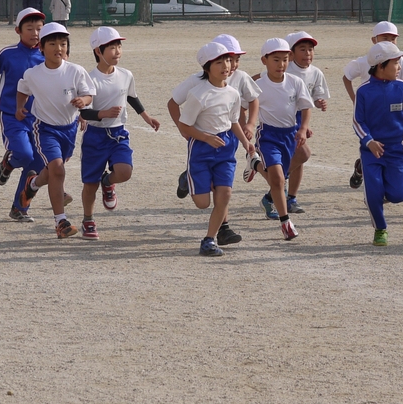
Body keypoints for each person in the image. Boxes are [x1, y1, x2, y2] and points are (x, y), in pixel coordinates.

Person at [77, 26, 160, 239]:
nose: (117, 51)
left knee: (125, 171)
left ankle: (108, 182)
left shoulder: (126, 75)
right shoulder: (89, 78)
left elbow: (131, 96)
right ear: (98, 51)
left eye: (119, 46)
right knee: (89, 183)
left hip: (118, 134)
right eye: (111, 47)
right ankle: (88, 219)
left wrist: (147, 117)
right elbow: (84, 112)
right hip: (95, 136)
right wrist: (103, 113)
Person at [15, 23, 96, 239]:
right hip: (45, 129)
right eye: (52, 43)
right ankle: (61, 222)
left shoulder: (75, 70)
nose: (58, 47)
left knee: (52, 172)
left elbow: (89, 94)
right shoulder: (33, 74)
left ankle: (32, 184)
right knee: (58, 170)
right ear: (41, 47)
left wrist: (83, 101)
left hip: (69, 129)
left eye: (62, 43)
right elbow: (22, 89)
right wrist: (19, 107)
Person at [0, 8, 47, 221]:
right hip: (13, 115)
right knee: (24, 154)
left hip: (41, 119)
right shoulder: (7, 54)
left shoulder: (47, 56)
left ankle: (19, 208)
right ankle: (8, 163)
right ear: (18, 30)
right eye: (29, 28)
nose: (35, 33)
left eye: (39, 29)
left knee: (37, 163)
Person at [180, 42, 256, 257]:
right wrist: (205, 137)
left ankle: (209, 240)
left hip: (226, 148)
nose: (226, 65)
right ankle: (190, 177)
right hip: (201, 148)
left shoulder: (233, 93)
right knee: (202, 203)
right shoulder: (198, 94)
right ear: (207, 67)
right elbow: (185, 126)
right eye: (219, 61)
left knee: (224, 195)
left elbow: (233, 121)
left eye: (229, 60)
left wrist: (245, 143)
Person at [353, 41, 403, 247]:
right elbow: (357, 121)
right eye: (396, 63)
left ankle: (377, 195)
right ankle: (380, 228)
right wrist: (369, 142)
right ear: (381, 66)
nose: (400, 67)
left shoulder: (402, 87)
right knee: (374, 192)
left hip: (396, 149)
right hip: (371, 151)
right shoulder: (364, 91)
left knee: (398, 195)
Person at [343, 21, 403, 189]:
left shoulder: (399, 60)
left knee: (391, 148)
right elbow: (346, 76)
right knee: (371, 145)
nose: (389, 42)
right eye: (384, 38)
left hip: (391, 111)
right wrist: (354, 99)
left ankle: (377, 179)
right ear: (374, 40)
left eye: (393, 39)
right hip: (371, 112)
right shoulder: (365, 61)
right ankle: (363, 169)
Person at [251, 38, 313, 239]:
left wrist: (303, 128)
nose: (281, 65)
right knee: (277, 180)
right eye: (276, 60)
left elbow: (305, 107)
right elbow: (245, 107)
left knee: (299, 159)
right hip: (268, 135)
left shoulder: (296, 82)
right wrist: (249, 125)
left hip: (290, 135)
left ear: (290, 59)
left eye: (285, 60)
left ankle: (255, 165)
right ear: (264, 61)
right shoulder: (258, 85)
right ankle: (285, 222)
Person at [282, 31, 329, 214]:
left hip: (300, 121)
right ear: (291, 53)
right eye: (302, 49)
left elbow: (314, 97)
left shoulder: (315, 72)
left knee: (299, 159)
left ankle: (291, 197)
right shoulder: (284, 69)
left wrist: (319, 102)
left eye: (310, 49)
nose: (308, 53)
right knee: (303, 154)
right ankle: (276, 183)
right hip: (284, 120)